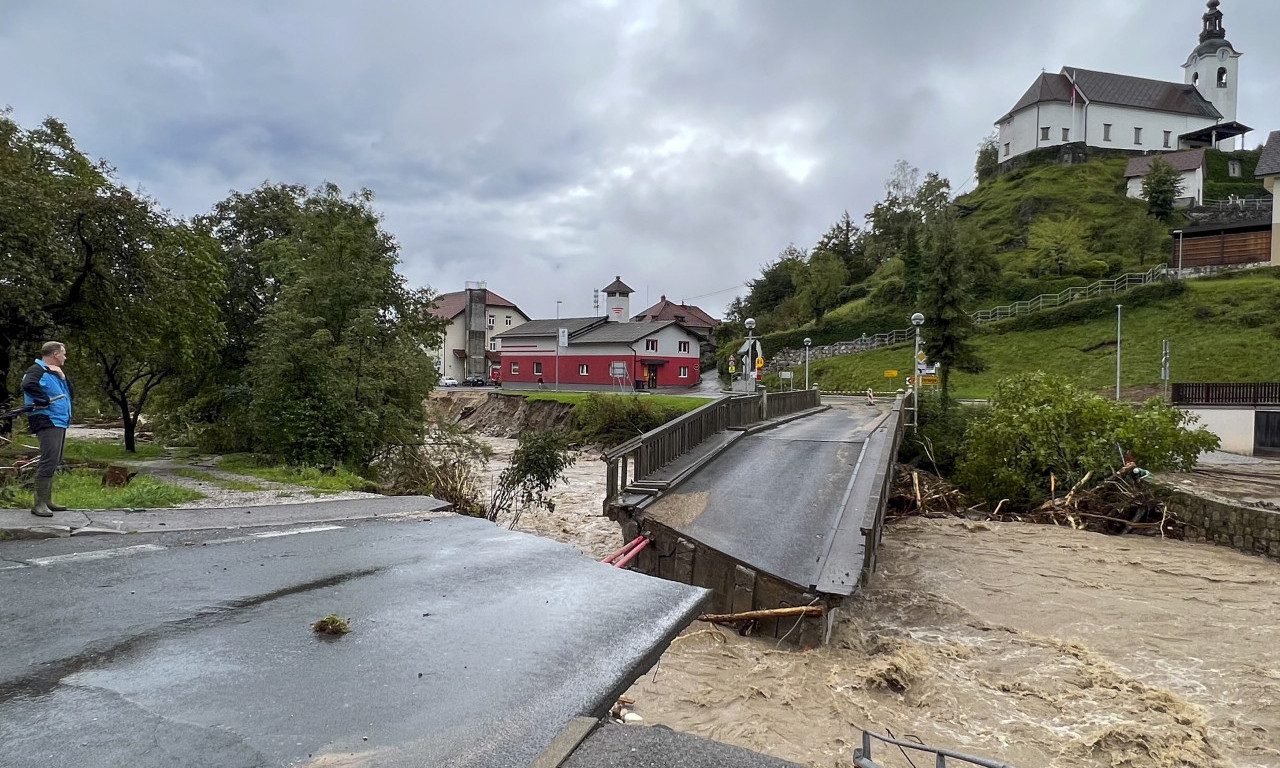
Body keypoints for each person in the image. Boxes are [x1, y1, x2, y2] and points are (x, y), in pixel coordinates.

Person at [21, 341, 73, 517]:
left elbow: (70, 395)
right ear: (55, 354)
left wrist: (63, 377)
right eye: (63, 353)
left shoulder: (53, 373)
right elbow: (28, 385)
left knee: (55, 459)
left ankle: (47, 500)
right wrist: (42, 400)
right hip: (47, 419)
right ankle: (39, 504)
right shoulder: (37, 370)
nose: (65, 357)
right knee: (49, 459)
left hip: (59, 420)